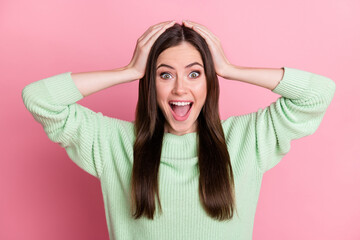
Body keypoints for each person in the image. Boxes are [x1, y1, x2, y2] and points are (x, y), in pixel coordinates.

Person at [21, 20, 336, 240]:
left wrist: (230, 69)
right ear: (150, 84)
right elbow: (39, 99)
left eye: (195, 73)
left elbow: (318, 93)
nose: (180, 89)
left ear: (209, 83)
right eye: (165, 75)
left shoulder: (246, 140)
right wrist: (128, 71)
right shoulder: (113, 143)